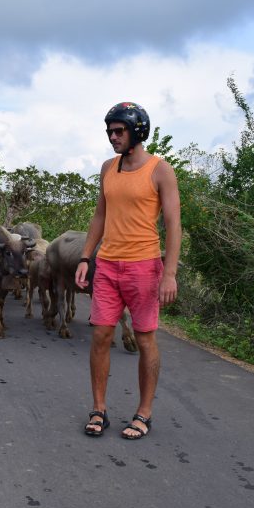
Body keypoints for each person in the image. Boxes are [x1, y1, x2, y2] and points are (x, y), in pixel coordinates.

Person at [75, 102, 181, 439]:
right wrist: (85, 257)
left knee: (145, 338)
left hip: (144, 266)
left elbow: (173, 224)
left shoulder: (160, 170)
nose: (112, 136)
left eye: (119, 131)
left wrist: (169, 273)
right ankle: (99, 409)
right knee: (100, 335)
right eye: (109, 131)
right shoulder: (108, 168)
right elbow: (99, 217)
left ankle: (144, 413)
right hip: (107, 265)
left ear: (137, 131)